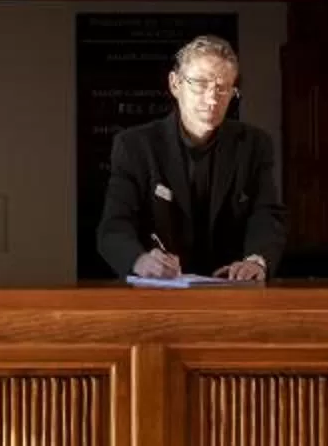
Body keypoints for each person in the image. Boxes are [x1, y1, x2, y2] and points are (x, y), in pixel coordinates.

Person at [96, 34, 286, 283]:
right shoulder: (135, 146)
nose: (212, 98)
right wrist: (139, 260)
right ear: (175, 84)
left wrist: (256, 260)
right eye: (200, 83)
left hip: (231, 289)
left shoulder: (254, 145)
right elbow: (113, 227)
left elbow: (266, 215)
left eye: (223, 87)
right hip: (157, 292)